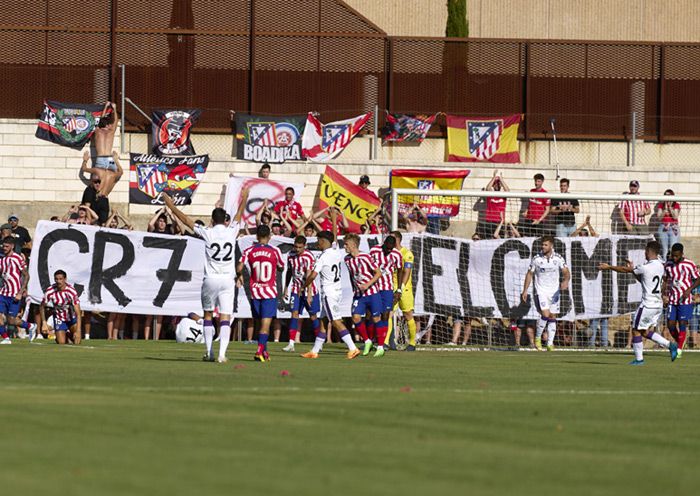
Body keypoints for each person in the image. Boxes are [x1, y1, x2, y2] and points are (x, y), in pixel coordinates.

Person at [163, 188, 249, 363]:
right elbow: (239, 214)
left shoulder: (207, 232)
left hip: (210, 279)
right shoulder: (232, 230)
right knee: (225, 317)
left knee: (208, 315)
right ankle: (222, 354)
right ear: (225, 220)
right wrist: (245, 197)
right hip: (227, 279)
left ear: (211, 220)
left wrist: (170, 205)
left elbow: (186, 220)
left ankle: (209, 352)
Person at [599, 240, 678, 365]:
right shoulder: (660, 265)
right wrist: (632, 268)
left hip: (647, 304)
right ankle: (670, 345)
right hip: (657, 304)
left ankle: (639, 359)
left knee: (635, 330)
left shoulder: (646, 267)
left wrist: (609, 267)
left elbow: (625, 270)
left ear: (648, 251)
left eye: (645, 251)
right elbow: (644, 281)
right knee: (644, 331)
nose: (644, 253)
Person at [300, 210, 360, 359]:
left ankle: (352, 347)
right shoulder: (335, 250)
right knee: (323, 322)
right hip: (336, 291)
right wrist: (334, 219)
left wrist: (303, 286)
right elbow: (333, 236)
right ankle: (314, 351)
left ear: (322, 242)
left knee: (335, 321)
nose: (317, 242)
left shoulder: (323, 257)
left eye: (318, 240)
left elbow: (312, 276)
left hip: (329, 293)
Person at [237, 225, 285, 362]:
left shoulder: (249, 250)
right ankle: (259, 351)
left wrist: (239, 275)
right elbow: (281, 267)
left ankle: (264, 351)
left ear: (257, 237)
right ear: (269, 237)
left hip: (255, 292)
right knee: (265, 325)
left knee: (259, 323)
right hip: (269, 292)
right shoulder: (275, 251)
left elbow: (239, 266)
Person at [521, 235, 570, 351]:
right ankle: (538, 338)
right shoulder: (537, 259)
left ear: (551, 246)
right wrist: (525, 290)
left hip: (554, 292)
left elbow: (566, 272)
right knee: (546, 314)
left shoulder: (558, 258)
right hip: (541, 290)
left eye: (545, 245)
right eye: (542, 244)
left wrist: (566, 280)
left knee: (553, 315)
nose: (543, 247)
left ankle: (550, 343)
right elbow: (529, 274)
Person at [344, 233, 384, 357]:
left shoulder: (366, 257)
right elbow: (352, 276)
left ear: (354, 245)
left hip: (372, 293)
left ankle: (381, 347)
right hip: (359, 294)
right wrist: (353, 289)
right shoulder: (347, 259)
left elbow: (378, 273)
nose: (344, 246)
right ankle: (367, 341)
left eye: (346, 244)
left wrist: (367, 284)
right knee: (355, 317)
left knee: (376, 318)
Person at [282, 236, 320, 353]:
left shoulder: (308, 256)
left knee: (313, 316)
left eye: (300, 247)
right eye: (296, 247)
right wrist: (286, 288)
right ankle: (291, 343)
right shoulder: (291, 256)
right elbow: (289, 271)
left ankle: (319, 343)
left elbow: (309, 276)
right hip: (296, 289)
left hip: (310, 290)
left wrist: (309, 294)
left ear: (305, 246)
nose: (297, 249)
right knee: (294, 314)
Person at [369, 235, 402, 355]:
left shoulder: (397, 254)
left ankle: (381, 343)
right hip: (374, 287)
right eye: (387, 248)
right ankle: (371, 340)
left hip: (387, 288)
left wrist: (399, 289)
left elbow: (399, 270)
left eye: (391, 249)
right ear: (384, 244)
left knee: (386, 315)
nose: (389, 251)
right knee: (372, 314)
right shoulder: (374, 251)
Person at [665, 243, 700, 357]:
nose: (674, 258)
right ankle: (681, 341)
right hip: (672, 299)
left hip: (684, 300)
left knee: (682, 323)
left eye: (676, 256)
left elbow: (698, 278)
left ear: (681, 254)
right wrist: (663, 294)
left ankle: (679, 349)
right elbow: (666, 279)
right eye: (673, 255)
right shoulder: (668, 264)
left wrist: (689, 289)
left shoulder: (689, 264)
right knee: (670, 325)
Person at [0, 237, 37, 344]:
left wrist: (21, 292)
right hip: (3, 293)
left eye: (7, 246)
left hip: (15, 293)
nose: (4, 248)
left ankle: (30, 326)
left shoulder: (17, 258)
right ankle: (6, 338)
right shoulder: (2, 260)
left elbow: (26, 275)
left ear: (12, 246)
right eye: (3, 246)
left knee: (11, 320)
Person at [389, 231, 418, 351]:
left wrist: (400, 288)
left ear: (398, 240)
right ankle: (385, 343)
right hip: (390, 286)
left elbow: (407, 272)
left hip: (404, 288)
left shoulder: (407, 253)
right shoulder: (388, 253)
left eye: (392, 238)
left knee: (408, 315)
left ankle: (412, 343)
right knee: (388, 314)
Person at [40, 270, 81, 345]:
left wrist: (78, 331)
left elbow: (78, 313)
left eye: (60, 279)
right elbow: (42, 306)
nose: (58, 281)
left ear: (65, 279)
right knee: (61, 343)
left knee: (77, 341)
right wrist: (44, 322)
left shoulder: (71, 291)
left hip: (71, 318)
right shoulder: (50, 291)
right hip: (59, 318)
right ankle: (64, 336)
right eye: (56, 279)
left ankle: (69, 334)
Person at [476, 170, 510, 239]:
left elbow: (507, 190)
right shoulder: (490, 195)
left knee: (499, 241)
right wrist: (494, 177)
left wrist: (501, 179)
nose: (497, 185)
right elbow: (488, 188)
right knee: (489, 241)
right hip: (489, 222)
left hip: (500, 222)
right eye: (495, 184)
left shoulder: (503, 195)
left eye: (498, 184)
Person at [655, 189, 680, 260]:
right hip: (663, 227)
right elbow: (659, 218)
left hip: (673, 227)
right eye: (665, 195)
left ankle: (672, 264)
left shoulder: (676, 205)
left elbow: (675, 216)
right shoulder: (661, 205)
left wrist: (670, 208)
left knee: (673, 247)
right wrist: (664, 211)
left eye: (669, 195)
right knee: (664, 248)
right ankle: (665, 264)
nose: (667, 197)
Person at [93, 101, 119, 169]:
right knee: (112, 177)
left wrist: (105, 107)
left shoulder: (97, 131)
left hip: (100, 159)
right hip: (110, 159)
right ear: (107, 125)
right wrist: (115, 109)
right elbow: (116, 121)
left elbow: (102, 119)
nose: (111, 125)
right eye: (110, 124)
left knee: (99, 179)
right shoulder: (111, 132)